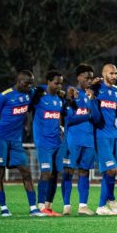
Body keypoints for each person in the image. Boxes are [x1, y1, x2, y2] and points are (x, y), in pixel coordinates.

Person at [0, 69, 42, 217]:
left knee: (26, 172)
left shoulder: (29, 93)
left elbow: (41, 90)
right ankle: (4, 208)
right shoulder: (5, 96)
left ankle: (33, 208)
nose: (30, 86)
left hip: (16, 140)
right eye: (27, 83)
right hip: (1, 138)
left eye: (32, 83)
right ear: (19, 81)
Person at [61, 64, 102, 216]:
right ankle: (66, 205)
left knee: (84, 172)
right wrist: (87, 115)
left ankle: (83, 206)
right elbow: (68, 120)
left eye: (91, 77)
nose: (90, 80)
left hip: (88, 140)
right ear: (78, 77)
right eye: (87, 77)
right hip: (72, 140)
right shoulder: (72, 94)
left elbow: (97, 118)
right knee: (68, 171)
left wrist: (91, 100)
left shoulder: (92, 96)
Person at [32, 70, 67, 216]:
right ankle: (40, 206)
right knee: (45, 172)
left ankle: (48, 206)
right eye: (56, 82)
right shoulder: (39, 97)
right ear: (48, 81)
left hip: (57, 142)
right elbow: (32, 90)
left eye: (61, 83)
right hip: (43, 142)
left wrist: (61, 127)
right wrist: (40, 88)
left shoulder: (60, 99)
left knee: (55, 174)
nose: (59, 85)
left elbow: (60, 117)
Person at [94, 63, 117, 215]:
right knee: (111, 169)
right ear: (103, 73)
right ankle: (102, 205)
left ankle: (109, 201)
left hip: (114, 135)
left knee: (112, 171)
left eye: (116, 73)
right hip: (101, 135)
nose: (114, 76)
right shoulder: (96, 88)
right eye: (111, 73)